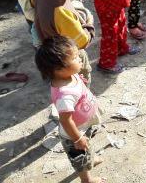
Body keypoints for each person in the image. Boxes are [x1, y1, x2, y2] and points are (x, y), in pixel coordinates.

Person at [35, 36, 104, 183]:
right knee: (80, 159)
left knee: (88, 145)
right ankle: (87, 180)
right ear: (59, 69)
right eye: (75, 57)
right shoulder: (64, 95)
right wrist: (77, 138)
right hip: (74, 134)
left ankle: (90, 158)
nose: (79, 58)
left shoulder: (69, 75)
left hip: (84, 125)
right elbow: (65, 120)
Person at [34, 0, 94, 82]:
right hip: (69, 56)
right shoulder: (61, 12)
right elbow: (81, 41)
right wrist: (89, 23)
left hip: (51, 46)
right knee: (81, 80)